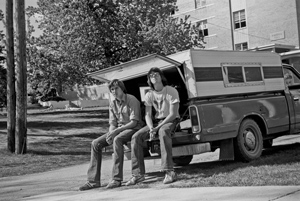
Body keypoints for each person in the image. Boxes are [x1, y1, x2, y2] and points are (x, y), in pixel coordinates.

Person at [79, 79, 143, 190]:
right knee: (95, 143)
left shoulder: (132, 100)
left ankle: (116, 179)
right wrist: (110, 133)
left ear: (122, 88)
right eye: (112, 89)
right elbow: (112, 123)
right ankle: (93, 181)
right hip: (118, 130)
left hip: (133, 128)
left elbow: (134, 122)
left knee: (117, 139)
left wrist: (116, 132)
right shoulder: (112, 103)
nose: (114, 91)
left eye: (116, 88)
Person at [126, 67, 180, 186]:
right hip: (155, 123)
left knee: (163, 131)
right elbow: (147, 115)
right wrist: (151, 128)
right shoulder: (149, 94)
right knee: (136, 136)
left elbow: (173, 114)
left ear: (161, 77)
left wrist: (158, 127)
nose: (154, 76)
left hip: (170, 121)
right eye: (151, 76)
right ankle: (138, 174)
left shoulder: (171, 91)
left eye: (156, 74)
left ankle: (169, 171)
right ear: (149, 80)